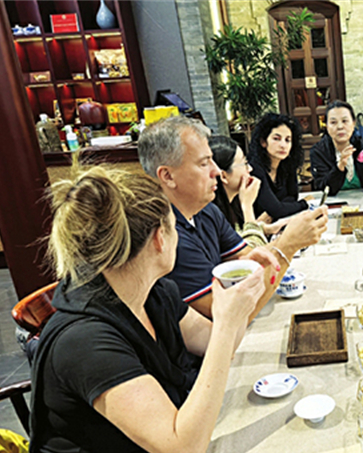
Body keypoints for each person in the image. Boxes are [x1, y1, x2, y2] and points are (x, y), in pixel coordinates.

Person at [20, 165, 264, 453]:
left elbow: (215, 344)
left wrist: (240, 300)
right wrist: (229, 322)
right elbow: (186, 448)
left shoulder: (153, 293)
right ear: (159, 239)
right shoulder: (85, 341)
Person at [138, 116, 328, 319]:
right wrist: (289, 244)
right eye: (204, 163)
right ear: (167, 176)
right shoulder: (166, 237)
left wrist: (288, 239)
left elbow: (250, 258)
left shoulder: (206, 210)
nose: (216, 171)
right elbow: (226, 315)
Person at [208, 135, 286, 248]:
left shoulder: (230, 205)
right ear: (223, 176)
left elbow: (237, 234)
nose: (250, 169)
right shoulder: (211, 216)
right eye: (244, 163)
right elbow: (251, 253)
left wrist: (267, 229)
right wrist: (247, 206)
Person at [310, 100, 363, 196]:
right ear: (327, 126)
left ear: (353, 123)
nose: (340, 127)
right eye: (333, 122)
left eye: (345, 121)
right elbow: (325, 189)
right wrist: (340, 166)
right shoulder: (319, 152)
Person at [248, 113, 309, 221]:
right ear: (263, 142)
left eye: (287, 140)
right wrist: (304, 203)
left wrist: (272, 213)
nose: (283, 145)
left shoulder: (287, 164)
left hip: (278, 223)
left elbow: (292, 197)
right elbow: (277, 209)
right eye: (276, 139)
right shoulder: (255, 169)